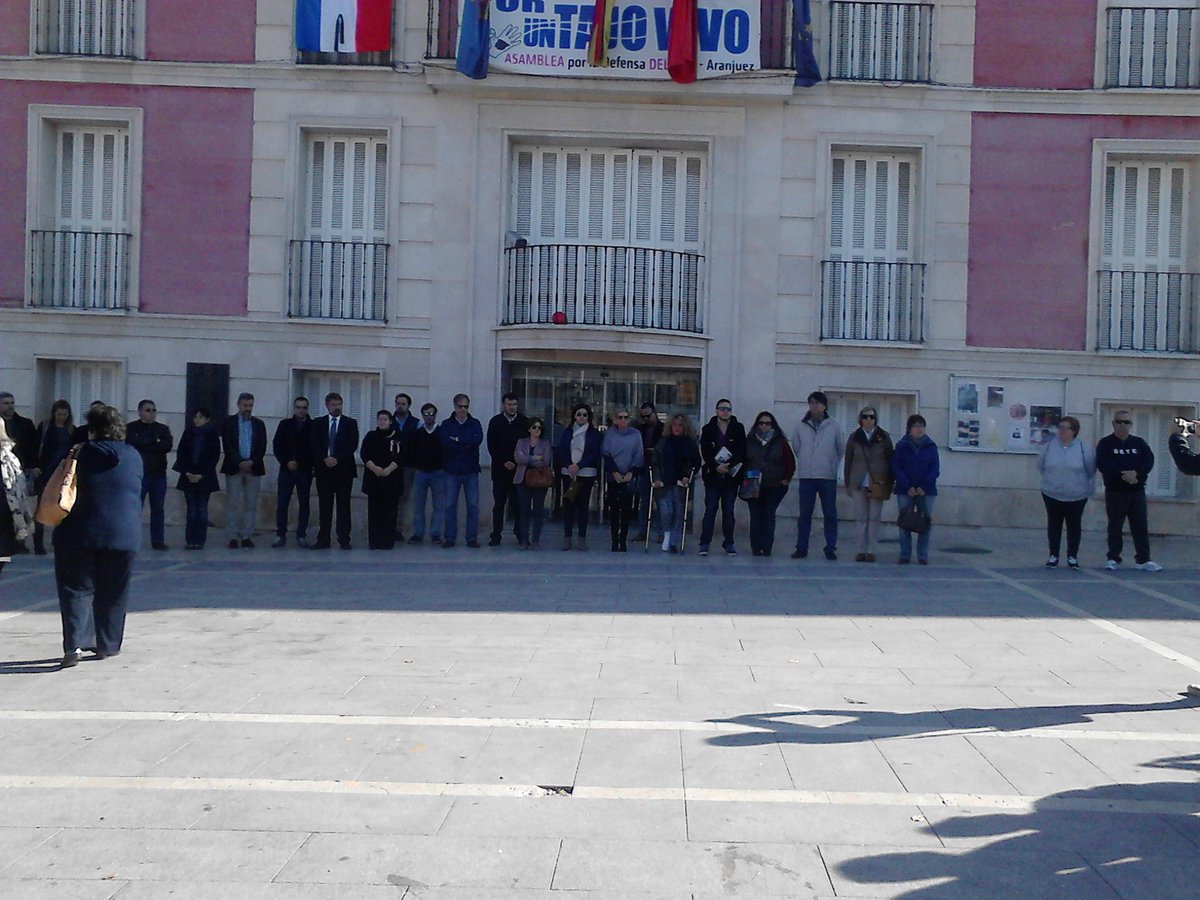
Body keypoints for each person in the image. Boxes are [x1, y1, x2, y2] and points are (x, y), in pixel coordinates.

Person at [53, 405, 143, 667]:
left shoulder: (80, 453)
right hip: (123, 533)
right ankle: (108, 643)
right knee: (113, 590)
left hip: (79, 532)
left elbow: (56, 481)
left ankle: (74, 645)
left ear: (91, 429)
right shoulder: (133, 456)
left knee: (75, 589)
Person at [1096, 410, 1160, 571]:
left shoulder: (1139, 443)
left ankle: (1143, 559)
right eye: (1119, 422)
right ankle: (1113, 558)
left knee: (1140, 525)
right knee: (1115, 526)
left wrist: (1136, 474)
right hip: (1115, 492)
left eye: (1126, 422)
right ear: (1113, 423)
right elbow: (1103, 464)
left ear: (1131, 424)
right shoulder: (1105, 443)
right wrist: (1122, 474)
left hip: (1137, 492)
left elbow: (1148, 461)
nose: (1122, 425)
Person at [792, 391, 845, 561]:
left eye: (818, 403)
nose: (814, 406)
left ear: (824, 406)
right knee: (804, 514)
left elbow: (840, 448)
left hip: (827, 476)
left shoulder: (834, 426)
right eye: (811, 403)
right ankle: (802, 547)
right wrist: (806, 461)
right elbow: (797, 447)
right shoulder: (800, 425)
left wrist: (830, 464)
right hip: (807, 475)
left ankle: (830, 547)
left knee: (830, 514)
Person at [1037, 416, 1096, 569]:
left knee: (1074, 526)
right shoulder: (1049, 446)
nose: (1062, 431)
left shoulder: (1084, 448)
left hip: (1077, 495)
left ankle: (1072, 556)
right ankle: (1053, 555)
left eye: (1066, 428)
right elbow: (1041, 466)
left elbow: (1090, 469)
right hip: (1052, 493)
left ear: (1074, 431)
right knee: (1054, 524)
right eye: (1060, 427)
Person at [308, 392, 360, 550]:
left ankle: (344, 538)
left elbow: (352, 444)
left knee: (344, 505)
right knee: (325, 505)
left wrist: (337, 458)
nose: (336, 407)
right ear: (327, 405)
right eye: (333, 404)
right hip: (324, 470)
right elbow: (314, 443)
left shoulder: (350, 423)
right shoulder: (318, 423)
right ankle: (323, 538)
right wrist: (325, 457)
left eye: (339, 404)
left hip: (343, 470)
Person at [843, 407, 894, 563]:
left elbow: (891, 459)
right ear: (860, 419)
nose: (868, 420)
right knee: (861, 517)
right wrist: (848, 483)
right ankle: (860, 550)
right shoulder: (854, 437)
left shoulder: (884, 437)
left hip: (878, 481)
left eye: (871, 417)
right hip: (859, 481)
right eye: (865, 417)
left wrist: (890, 483)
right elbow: (848, 460)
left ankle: (871, 550)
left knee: (874, 517)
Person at [698, 398, 747, 556]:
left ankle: (729, 543)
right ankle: (704, 543)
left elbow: (741, 450)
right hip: (713, 476)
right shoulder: (708, 429)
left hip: (731, 477)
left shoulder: (738, 428)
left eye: (728, 409)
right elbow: (705, 450)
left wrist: (729, 465)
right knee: (710, 510)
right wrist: (715, 466)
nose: (725, 411)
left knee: (729, 511)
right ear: (716, 410)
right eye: (722, 408)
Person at [744, 411, 796, 557]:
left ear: (773, 425)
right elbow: (744, 461)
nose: (764, 426)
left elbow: (790, 462)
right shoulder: (750, 440)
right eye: (761, 423)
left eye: (767, 423)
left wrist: (786, 479)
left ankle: (766, 548)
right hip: (753, 485)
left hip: (774, 486)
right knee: (755, 517)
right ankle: (755, 547)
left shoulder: (781, 442)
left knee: (768, 516)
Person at [220, 393, 267, 549]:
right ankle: (232, 536)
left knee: (251, 504)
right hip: (234, 467)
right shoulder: (229, 422)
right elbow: (227, 445)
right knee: (232, 503)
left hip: (254, 468)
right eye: (245, 405)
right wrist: (240, 461)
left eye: (250, 405)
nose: (248, 409)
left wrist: (252, 461)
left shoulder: (259, 424)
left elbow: (262, 446)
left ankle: (247, 535)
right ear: (238, 405)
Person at [125, 399, 173, 552]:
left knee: (158, 508)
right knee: (134, 508)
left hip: (158, 474)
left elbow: (166, 446)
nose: (151, 413)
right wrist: (153, 442)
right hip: (139, 474)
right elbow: (133, 442)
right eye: (148, 410)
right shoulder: (131, 428)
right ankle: (130, 539)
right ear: (140, 412)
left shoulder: (163, 429)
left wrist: (147, 443)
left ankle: (158, 541)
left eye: (153, 410)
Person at [893, 414, 940, 565]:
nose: (919, 429)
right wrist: (908, 486)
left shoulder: (931, 446)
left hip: (926, 491)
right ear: (909, 429)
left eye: (922, 426)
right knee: (904, 521)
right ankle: (905, 554)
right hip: (905, 490)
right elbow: (896, 467)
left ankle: (923, 555)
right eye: (916, 426)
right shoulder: (901, 446)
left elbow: (935, 469)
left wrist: (924, 487)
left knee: (924, 522)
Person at [556, 403, 602, 551]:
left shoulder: (594, 433)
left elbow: (594, 453)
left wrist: (580, 465)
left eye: (584, 414)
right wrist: (569, 464)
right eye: (579, 414)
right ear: (574, 416)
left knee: (583, 507)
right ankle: (567, 538)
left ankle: (582, 537)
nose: (581, 417)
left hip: (586, 473)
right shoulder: (567, 431)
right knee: (568, 505)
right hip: (569, 473)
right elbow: (562, 450)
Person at [485, 392, 529, 546]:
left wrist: (517, 461)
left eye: (514, 404)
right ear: (504, 405)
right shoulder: (495, 422)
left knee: (518, 505)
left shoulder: (524, 422)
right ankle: (496, 535)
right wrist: (503, 461)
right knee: (499, 505)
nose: (512, 407)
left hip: (519, 471)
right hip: (500, 472)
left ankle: (520, 535)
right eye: (509, 404)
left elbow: (527, 445)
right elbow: (491, 445)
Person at [174, 408, 221, 550]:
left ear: (207, 419)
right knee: (191, 510)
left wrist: (202, 475)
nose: (197, 419)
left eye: (200, 417)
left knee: (201, 510)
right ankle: (190, 540)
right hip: (188, 475)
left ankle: (200, 540)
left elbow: (214, 457)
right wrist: (187, 472)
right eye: (195, 417)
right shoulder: (188, 433)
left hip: (204, 477)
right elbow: (181, 453)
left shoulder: (212, 435)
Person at [32, 399, 75, 555]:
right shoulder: (45, 428)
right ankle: (38, 543)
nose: (61, 417)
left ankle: (59, 540)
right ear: (54, 413)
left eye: (65, 414)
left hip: (63, 473)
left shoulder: (71, 430)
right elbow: (35, 446)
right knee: (41, 507)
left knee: (62, 506)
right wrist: (35, 466)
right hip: (45, 471)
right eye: (59, 414)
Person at [441, 393, 483, 549]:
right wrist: (465, 443)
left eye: (466, 406)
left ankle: (471, 538)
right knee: (449, 505)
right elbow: (446, 443)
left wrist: (458, 439)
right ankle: (450, 538)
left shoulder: (475, 423)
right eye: (460, 406)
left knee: (473, 506)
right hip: (452, 471)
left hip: (471, 470)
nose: (463, 410)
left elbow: (477, 440)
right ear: (454, 406)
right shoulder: (446, 424)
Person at [655, 414, 701, 553]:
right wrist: (657, 478)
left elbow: (694, 463)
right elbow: (655, 461)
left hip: (680, 482)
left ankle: (674, 540)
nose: (677, 428)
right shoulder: (663, 442)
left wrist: (687, 476)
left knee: (678, 510)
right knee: (665, 510)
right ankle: (666, 535)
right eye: (674, 424)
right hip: (665, 480)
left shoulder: (690, 443)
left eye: (680, 425)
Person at [271, 396, 314, 548]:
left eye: (304, 407)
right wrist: (286, 461)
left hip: (304, 470)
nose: (301, 410)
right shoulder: (285, 424)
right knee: (282, 503)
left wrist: (302, 462)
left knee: (304, 504)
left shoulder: (313, 425)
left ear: (307, 409)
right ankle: (280, 534)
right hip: (286, 469)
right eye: (298, 407)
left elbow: (315, 449)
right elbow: (277, 445)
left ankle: (301, 535)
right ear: (294, 408)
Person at [602, 407, 645, 552]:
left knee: (626, 510)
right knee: (614, 510)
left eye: (626, 417)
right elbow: (606, 455)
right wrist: (614, 471)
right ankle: (614, 540)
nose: (623, 420)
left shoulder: (636, 435)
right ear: (615, 419)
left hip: (629, 476)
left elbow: (639, 455)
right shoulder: (609, 434)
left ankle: (623, 540)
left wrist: (631, 472)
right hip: (614, 476)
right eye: (620, 417)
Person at [0, 391, 37, 553]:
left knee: (19, 510)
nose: (10, 406)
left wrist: (34, 466)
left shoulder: (25, 424)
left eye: (12, 402)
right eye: (6, 403)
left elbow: (33, 447)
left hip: (18, 474)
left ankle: (18, 543)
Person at [361, 410, 403, 550]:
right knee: (374, 512)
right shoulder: (371, 436)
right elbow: (364, 454)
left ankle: (387, 542)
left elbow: (401, 456)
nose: (382, 422)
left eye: (385, 419)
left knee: (390, 513)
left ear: (390, 421)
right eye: (380, 419)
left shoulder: (397, 437)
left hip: (392, 481)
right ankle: (374, 542)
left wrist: (388, 470)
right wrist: (375, 468)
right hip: (374, 480)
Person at [513, 416, 553, 550]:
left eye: (539, 428)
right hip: (522, 479)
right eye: (534, 427)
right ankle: (524, 540)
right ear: (529, 429)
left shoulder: (545, 443)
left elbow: (545, 461)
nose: (537, 430)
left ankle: (536, 539)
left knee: (538, 510)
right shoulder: (521, 442)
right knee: (524, 511)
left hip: (539, 479)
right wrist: (534, 458)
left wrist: (527, 458)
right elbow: (518, 458)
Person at [407, 403, 444, 544]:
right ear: (422, 415)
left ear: (435, 415)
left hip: (438, 473)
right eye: (426, 414)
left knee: (438, 505)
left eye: (431, 414)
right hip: (421, 473)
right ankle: (418, 533)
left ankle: (435, 534)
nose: (429, 417)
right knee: (418, 505)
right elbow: (411, 452)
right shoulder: (416, 434)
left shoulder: (441, 432)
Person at [0, 417, 33, 577]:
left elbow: (19, 489)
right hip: (7, 520)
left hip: (6, 520)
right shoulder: (10, 458)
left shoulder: (9, 458)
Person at [632, 402, 664, 543]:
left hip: (659, 468)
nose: (646, 419)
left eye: (648, 416)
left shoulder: (663, 429)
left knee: (661, 501)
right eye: (643, 416)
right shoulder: (640, 429)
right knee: (644, 501)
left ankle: (662, 532)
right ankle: (642, 531)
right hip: (644, 466)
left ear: (655, 413)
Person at [391, 392, 419, 541]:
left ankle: (398, 529)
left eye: (403, 404)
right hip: (390, 466)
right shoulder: (388, 421)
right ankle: (388, 526)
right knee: (390, 497)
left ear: (408, 406)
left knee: (404, 498)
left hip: (408, 466)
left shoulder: (416, 423)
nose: (400, 406)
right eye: (398, 403)